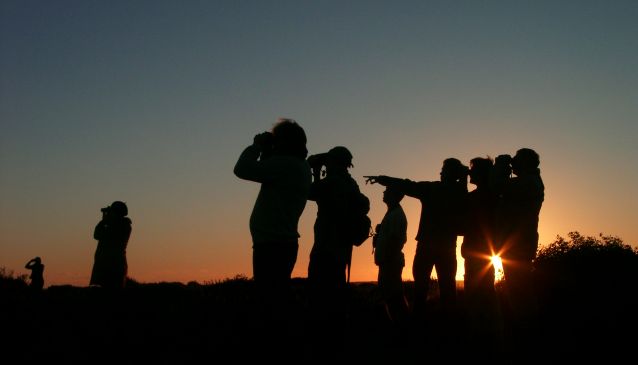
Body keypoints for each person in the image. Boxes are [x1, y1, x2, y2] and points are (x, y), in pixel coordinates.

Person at [233, 118, 311, 363]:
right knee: (276, 298)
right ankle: (281, 345)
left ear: (284, 142)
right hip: (281, 243)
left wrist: (256, 145)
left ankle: (274, 350)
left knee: (270, 301)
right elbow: (267, 169)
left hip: (272, 245)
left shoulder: (284, 164)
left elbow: (242, 169)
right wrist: (269, 150)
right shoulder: (296, 165)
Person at [365, 158, 468, 320]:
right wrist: (463, 176)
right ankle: (450, 330)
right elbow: (408, 185)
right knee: (448, 291)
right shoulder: (460, 192)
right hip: (448, 247)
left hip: (427, 246)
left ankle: (418, 327)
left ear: (449, 172)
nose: (440, 172)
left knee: (420, 291)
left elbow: (407, 185)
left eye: (443, 169)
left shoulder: (433, 189)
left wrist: (383, 179)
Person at [306, 146, 363, 362]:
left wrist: (314, 170)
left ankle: (324, 345)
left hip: (326, 248)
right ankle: (338, 340)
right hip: (341, 249)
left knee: (321, 299)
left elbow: (309, 192)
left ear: (333, 163)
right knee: (337, 294)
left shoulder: (332, 182)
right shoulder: (351, 183)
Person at [491, 148, 544, 358]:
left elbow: (497, 187)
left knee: (520, 294)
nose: (514, 164)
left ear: (527, 163)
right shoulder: (529, 181)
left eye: (517, 161)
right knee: (519, 292)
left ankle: (527, 338)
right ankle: (526, 335)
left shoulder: (529, 183)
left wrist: (500, 166)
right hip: (518, 244)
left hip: (518, 245)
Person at [459, 157, 504, 360]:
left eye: (473, 170)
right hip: (482, 251)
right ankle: (489, 334)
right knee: (483, 292)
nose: (470, 173)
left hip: (478, 251)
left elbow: (463, 221)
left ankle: (483, 337)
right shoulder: (490, 195)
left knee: (479, 293)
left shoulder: (481, 197)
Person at [372, 186, 409, 332]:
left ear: (393, 195)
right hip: (389, 262)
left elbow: (395, 241)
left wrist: (386, 258)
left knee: (394, 298)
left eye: (387, 191)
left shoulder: (396, 215)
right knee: (393, 297)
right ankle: (401, 328)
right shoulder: (393, 213)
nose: (384, 192)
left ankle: (402, 329)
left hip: (390, 263)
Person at [90, 201, 132, 289]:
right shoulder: (120, 224)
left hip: (111, 265)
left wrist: (104, 221)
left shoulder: (121, 225)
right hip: (109, 264)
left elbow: (97, 234)